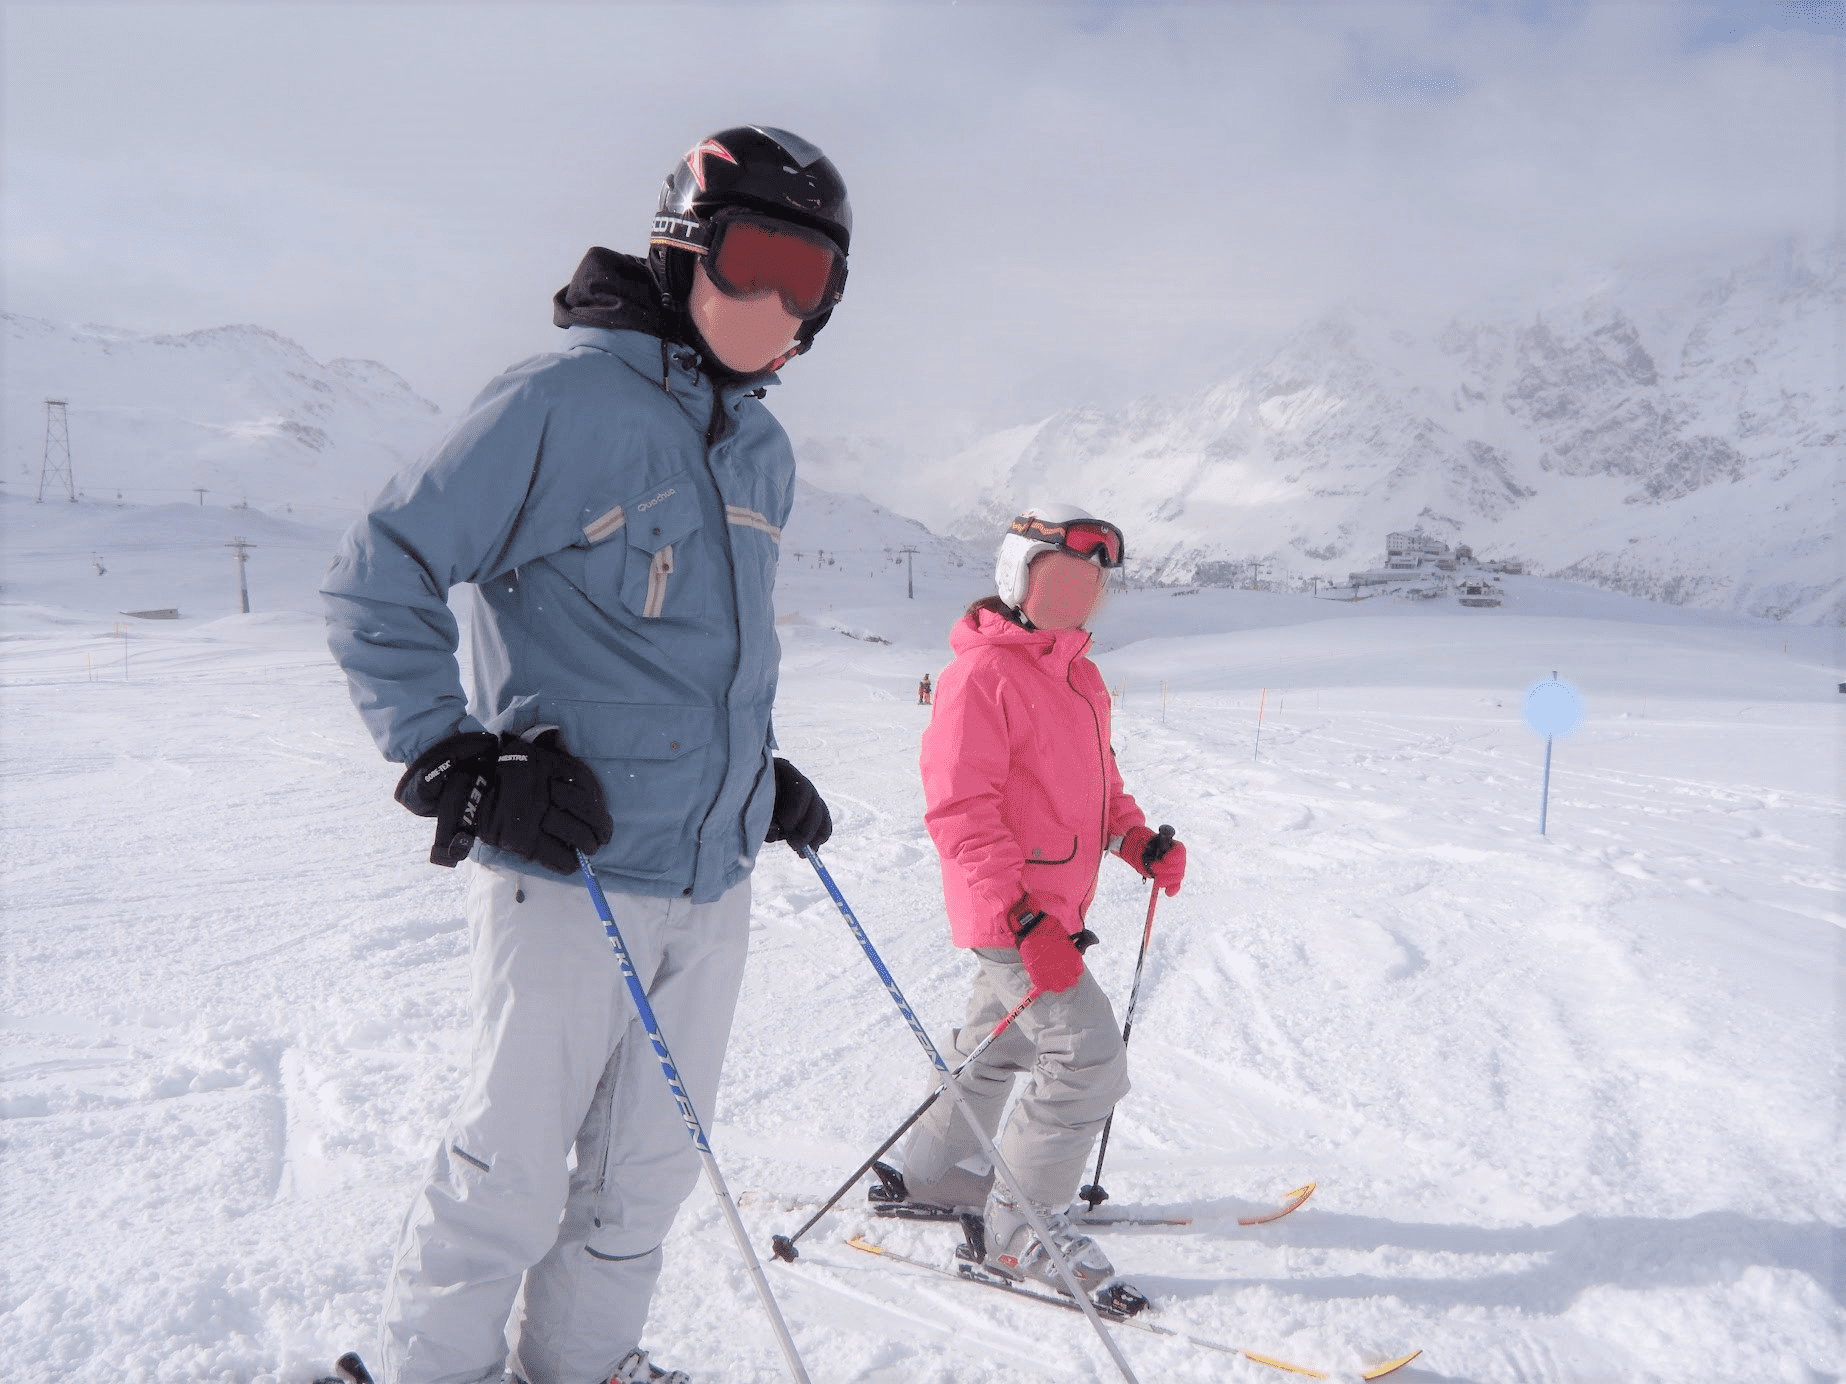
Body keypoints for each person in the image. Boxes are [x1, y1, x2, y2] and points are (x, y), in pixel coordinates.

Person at [321, 126, 851, 1384]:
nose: (777, 303)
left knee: (647, 1169)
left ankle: (583, 1363)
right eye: (756, 259)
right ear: (683, 245)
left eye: (810, 278)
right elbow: (380, 568)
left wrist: (754, 774)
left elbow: (706, 650)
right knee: (508, 1170)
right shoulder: (560, 404)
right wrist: (451, 752)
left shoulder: (764, 450)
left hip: (709, 880)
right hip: (571, 867)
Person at [886, 504, 1187, 1307]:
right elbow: (960, 811)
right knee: (1087, 1058)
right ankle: (1021, 1235)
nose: (1082, 595)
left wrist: (1135, 840)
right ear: (1020, 578)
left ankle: (939, 1172)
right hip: (1014, 913)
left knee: (998, 1043)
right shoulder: (980, 676)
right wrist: (1020, 917)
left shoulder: (1080, 676)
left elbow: (1100, 785)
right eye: (1064, 578)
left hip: (1053, 910)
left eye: (1093, 582)